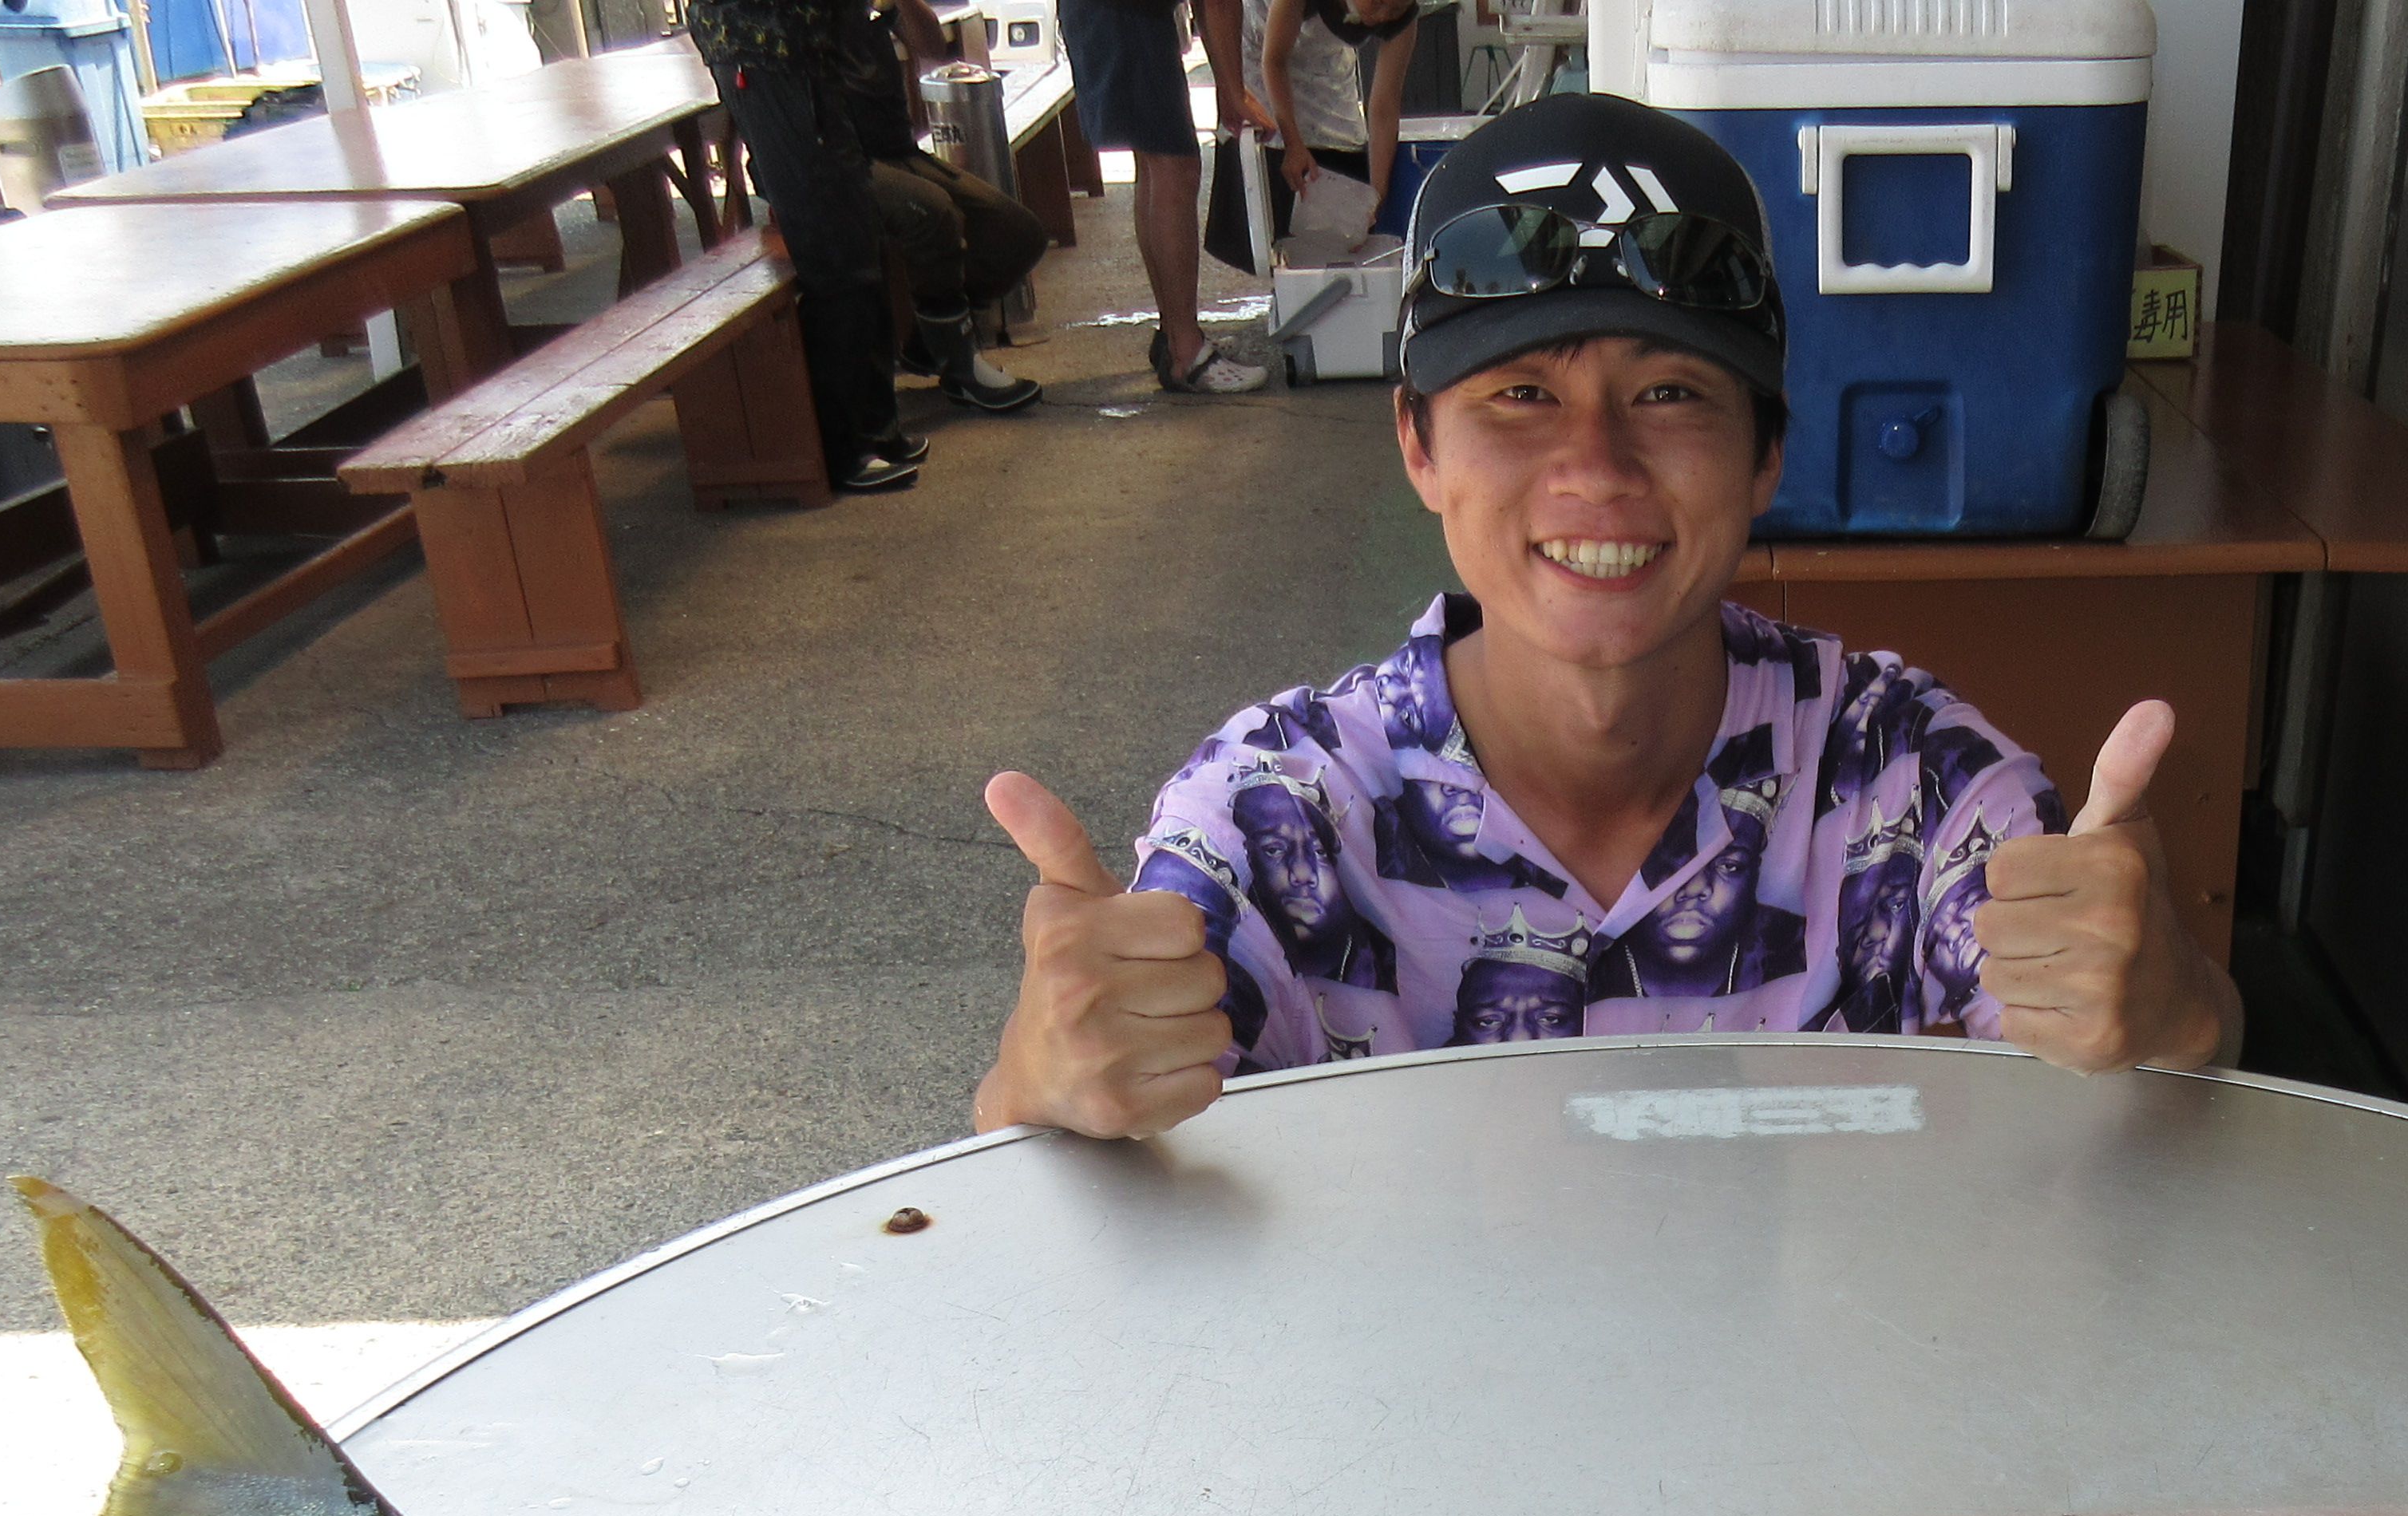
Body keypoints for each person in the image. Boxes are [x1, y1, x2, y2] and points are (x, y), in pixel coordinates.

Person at [972, 90, 2239, 1136]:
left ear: (1766, 457)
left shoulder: (1907, 781)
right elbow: (1073, 1146)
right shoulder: (1280, 815)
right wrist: (1037, 1078)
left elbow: (2167, 1064)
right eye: (1520, 394)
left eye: (1672, 393)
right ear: (1418, 445)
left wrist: (2173, 997)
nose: (1597, 468)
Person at [685, 0, 931, 491]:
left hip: (802, 54)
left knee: (858, 236)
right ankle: (843, 450)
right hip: (768, 54)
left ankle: (875, 427)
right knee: (835, 251)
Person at [1055, 0, 1268, 393]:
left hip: (1110, 14)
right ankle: (1186, 352)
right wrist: (1233, 90)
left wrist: (1230, 87)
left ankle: (1174, 333)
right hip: (1128, 17)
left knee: (1155, 161)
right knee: (1175, 167)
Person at [851, 0, 1050, 415]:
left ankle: (929, 345)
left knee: (1017, 232)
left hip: (892, 148)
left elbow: (932, 48)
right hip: (833, 160)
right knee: (931, 211)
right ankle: (961, 366)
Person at [1241, 0, 1421, 251]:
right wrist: (1294, 144)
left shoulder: (1403, 16)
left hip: (1325, 54)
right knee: (1278, 155)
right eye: (1378, 2)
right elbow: (1274, 61)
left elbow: (1384, 107)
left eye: (1396, 10)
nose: (1383, 16)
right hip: (1263, 41)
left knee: (1342, 144)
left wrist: (1375, 198)